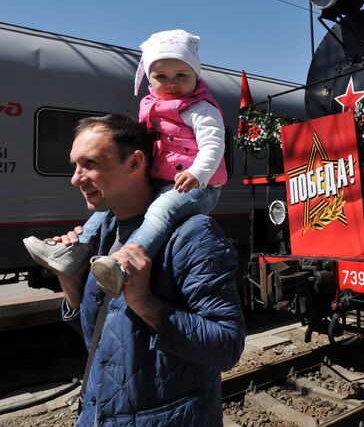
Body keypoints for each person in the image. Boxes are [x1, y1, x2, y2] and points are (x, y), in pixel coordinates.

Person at [55, 114, 245, 425]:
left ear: (134, 163)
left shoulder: (195, 235)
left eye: (89, 164)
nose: (76, 178)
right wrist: (71, 282)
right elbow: (104, 343)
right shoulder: (104, 232)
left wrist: (144, 303)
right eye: (74, 165)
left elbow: (227, 347)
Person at [23, 29, 227, 296]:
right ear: (150, 80)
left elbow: (214, 145)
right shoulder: (150, 105)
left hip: (197, 185)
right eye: (161, 76)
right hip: (163, 180)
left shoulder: (201, 108)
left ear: (196, 76)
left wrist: (198, 173)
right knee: (104, 210)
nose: (172, 82)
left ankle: (125, 261)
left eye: (181, 75)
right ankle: (73, 251)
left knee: (160, 211)